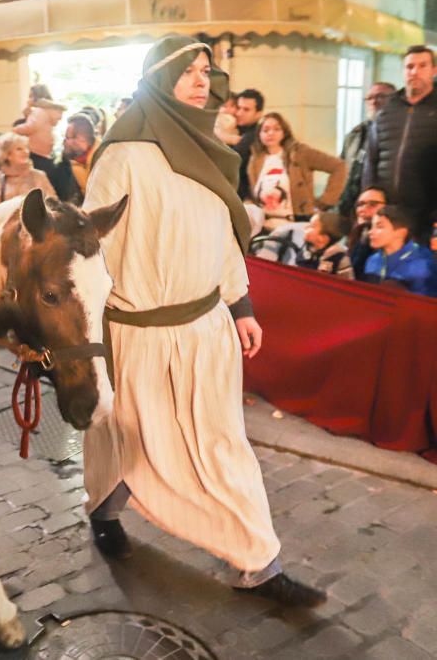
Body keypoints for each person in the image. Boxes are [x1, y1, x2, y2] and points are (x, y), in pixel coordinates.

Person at [81, 35, 326, 607]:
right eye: (186, 71)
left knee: (221, 445)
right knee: (127, 439)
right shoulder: (121, 155)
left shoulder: (210, 150)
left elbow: (222, 237)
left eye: (204, 71)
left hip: (205, 330)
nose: (200, 80)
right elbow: (89, 251)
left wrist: (239, 306)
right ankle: (104, 511)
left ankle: (258, 561)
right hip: (137, 335)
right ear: (157, 80)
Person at [363, 46, 437, 243]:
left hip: (426, 214)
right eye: (409, 66)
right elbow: (371, 158)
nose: (415, 72)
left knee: (421, 271)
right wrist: (369, 195)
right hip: (386, 213)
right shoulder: (387, 110)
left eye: (422, 66)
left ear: (434, 70)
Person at [246, 112, 347, 232]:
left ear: (285, 132)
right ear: (259, 134)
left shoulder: (300, 153)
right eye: (265, 130)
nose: (270, 133)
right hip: (265, 225)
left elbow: (339, 166)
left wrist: (325, 201)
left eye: (277, 129)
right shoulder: (256, 159)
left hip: (296, 223)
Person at [337, 82, 396, 217]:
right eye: (370, 98)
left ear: (394, 100)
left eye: (381, 97)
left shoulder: (400, 134)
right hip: (352, 205)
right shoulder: (355, 134)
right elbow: (342, 169)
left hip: (384, 206)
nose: (374, 102)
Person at [363, 206, 435, 296]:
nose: (370, 232)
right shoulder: (372, 260)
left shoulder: (423, 264)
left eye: (379, 227)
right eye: (371, 226)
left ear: (401, 232)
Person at [0, 132, 56, 207]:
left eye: (27, 148)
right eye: (19, 149)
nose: (26, 152)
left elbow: (53, 204)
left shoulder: (39, 176)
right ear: (7, 154)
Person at [12, 97, 65, 181]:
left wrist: (15, 129)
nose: (60, 117)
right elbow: (32, 126)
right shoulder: (43, 115)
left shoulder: (41, 113)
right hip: (40, 154)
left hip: (39, 154)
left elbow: (30, 126)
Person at [296, 212, 353, 278]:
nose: (306, 227)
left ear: (322, 238)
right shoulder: (305, 250)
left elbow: (347, 284)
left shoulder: (339, 258)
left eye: (312, 226)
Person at [62, 112, 103, 203]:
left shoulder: (103, 159)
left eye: (67, 137)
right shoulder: (75, 161)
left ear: (80, 139)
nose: (64, 142)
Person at [348, 186, 387, 279]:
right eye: (360, 204)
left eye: (373, 204)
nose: (363, 209)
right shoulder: (358, 233)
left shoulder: (391, 240)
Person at [232, 88, 264, 200]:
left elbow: (232, 158)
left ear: (258, 114)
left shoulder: (256, 135)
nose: (239, 113)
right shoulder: (235, 130)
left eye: (246, 110)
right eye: (238, 108)